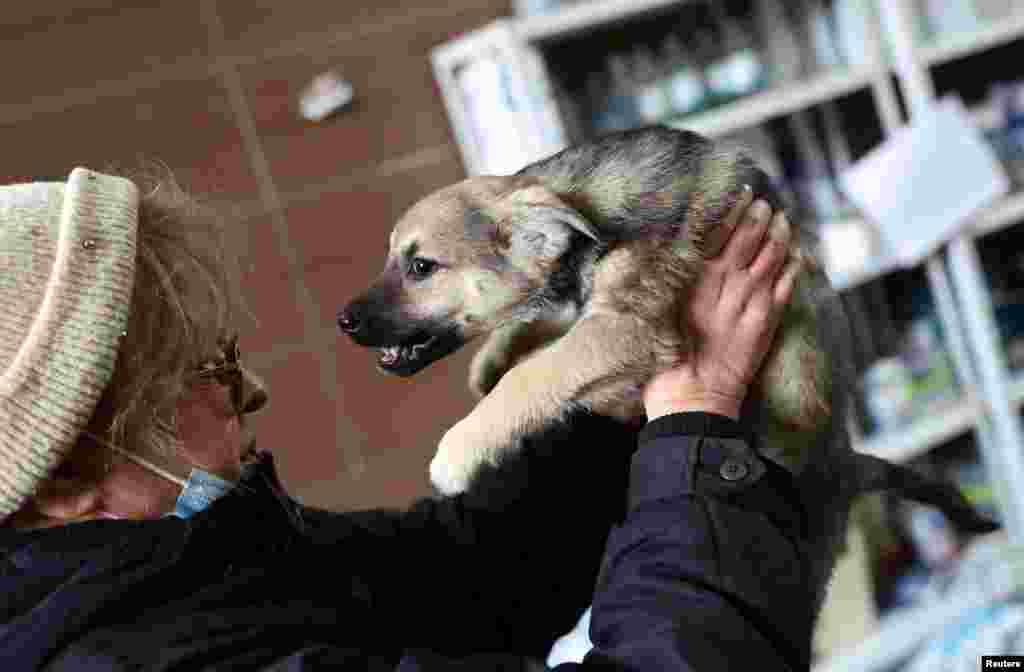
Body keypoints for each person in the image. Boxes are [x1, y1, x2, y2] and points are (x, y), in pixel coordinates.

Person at [0, 167, 807, 671]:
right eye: (203, 373)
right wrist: (696, 429)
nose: (250, 390)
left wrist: (608, 389)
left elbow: (483, 575)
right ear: (69, 481)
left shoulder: (198, 561)